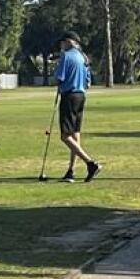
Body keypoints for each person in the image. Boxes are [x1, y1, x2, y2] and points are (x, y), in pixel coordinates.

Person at [53, 32, 101, 183]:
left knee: (65, 136)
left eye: (62, 42)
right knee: (75, 133)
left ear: (68, 42)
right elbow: (88, 81)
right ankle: (71, 170)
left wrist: (60, 86)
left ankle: (90, 163)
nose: (61, 45)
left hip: (69, 95)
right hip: (81, 96)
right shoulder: (83, 57)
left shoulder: (66, 56)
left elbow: (59, 78)